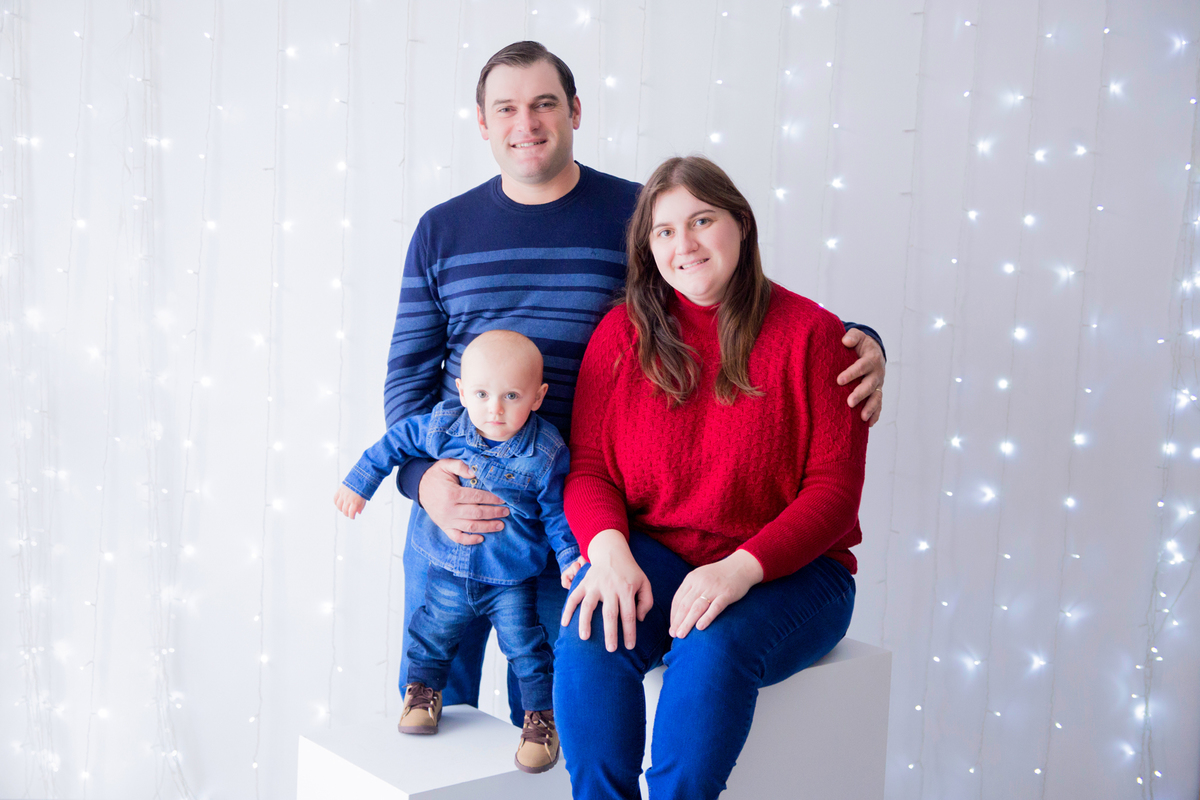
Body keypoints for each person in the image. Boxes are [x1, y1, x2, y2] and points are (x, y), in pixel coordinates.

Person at [385, 40, 886, 728]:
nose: (525, 123)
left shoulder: (636, 215)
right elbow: (407, 379)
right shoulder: (441, 230)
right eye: (505, 108)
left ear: (575, 111)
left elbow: (721, 302)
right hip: (460, 511)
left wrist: (854, 340)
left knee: (551, 718)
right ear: (481, 122)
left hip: (573, 518)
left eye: (544, 104)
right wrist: (423, 482)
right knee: (438, 713)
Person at [554, 155, 869, 800]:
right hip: (663, 553)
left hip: (795, 572)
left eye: (702, 221)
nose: (685, 244)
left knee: (712, 645)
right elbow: (589, 469)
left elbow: (834, 496)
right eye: (665, 231)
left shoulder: (814, 336)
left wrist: (737, 571)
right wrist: (608, 553)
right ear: (648, 248)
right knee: (590, 631)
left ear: (741, 225)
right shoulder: (621, 335)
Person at [336, 331, 582, 773]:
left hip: (510, 579)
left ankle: (540, 719)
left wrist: (569, 557)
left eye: (511, 396)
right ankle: (422, 694)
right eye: (482, 395)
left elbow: (556, 512)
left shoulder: (546, 452)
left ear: (538, 396)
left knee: (527, 649)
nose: (495, 409)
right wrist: (360, 482)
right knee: (431, 634)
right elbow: (394, 442)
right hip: (447, 567)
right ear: (463, 392)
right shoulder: (444, 425)